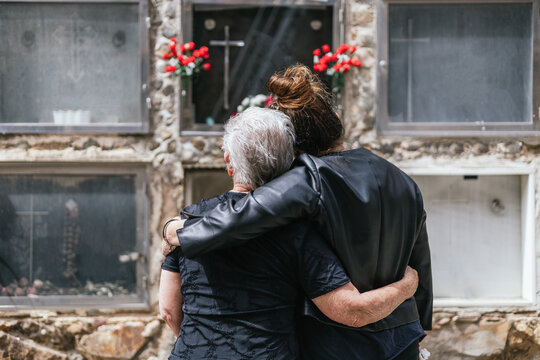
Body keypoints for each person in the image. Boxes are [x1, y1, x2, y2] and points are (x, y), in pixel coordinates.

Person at [165, 65, 432, 359]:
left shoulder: (310, 177)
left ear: (296, 145)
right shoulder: (402, 179)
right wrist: (420, 319)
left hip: (341, 342)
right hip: (403, 336)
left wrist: (178, 230)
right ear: (337, 123)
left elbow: (242, 216)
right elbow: (419, 260)